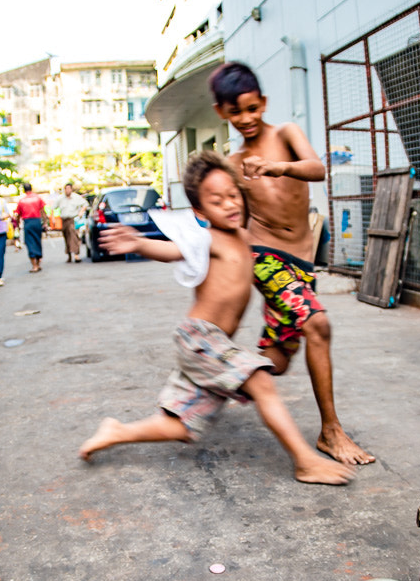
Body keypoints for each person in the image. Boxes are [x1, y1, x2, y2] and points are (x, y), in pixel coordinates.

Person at [79, 151, 353, 485]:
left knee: (182, 426)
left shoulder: (245, 236)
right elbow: (172, 250)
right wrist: (139, 243)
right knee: (260, 380)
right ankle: (304, 461)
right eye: (217, 200)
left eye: (233, 195)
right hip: (199, 338)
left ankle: (116, 431)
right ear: (200, 211)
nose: (229, 204)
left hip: (207, 345)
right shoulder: (208, 238)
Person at [209, 61, 374, 466]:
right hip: (263, 256)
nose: (245, 119)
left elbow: (316, 169)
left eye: (251, 108)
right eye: (235, 113)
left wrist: (276, 166)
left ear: (262, 102)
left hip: (302, 262)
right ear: (221, 114)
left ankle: (217, 374)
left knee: (279, 359)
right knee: (318, 324)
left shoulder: (285, 135)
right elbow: (228, 214)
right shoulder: (231, 164)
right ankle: (330, 431)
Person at [15, 183, 46, 273]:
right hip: (37, 222)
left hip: (28, 223)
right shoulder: (38, 198)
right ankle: (38, 262)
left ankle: (34, 265)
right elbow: (43, 211)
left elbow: (18, 215)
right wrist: (45, 223)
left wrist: (17, 225)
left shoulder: (22, 201)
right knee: (37, 241)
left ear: (24, 190)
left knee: (30, 243)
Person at [57, 181, 88, 263]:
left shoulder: (76, 197)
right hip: (64, 220)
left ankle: (76, 255)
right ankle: (69, 255)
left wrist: (81, 212)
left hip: (73, 219)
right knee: (67, 237)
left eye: (69, 189)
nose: (67, 190)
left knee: (74, 236)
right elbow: (53, 207)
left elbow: (85, 204)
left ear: (71, 189)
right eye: (66, 189)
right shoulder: (60, 198)